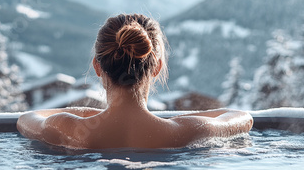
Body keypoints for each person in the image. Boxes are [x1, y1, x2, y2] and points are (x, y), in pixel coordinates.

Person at [17, 14, 253, 149]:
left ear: (97, 67)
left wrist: (88, 114)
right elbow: (242, 118)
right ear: (156, 68)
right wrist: (177, 120)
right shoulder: (184, 132)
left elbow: (27, 119)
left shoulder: (70, 129)